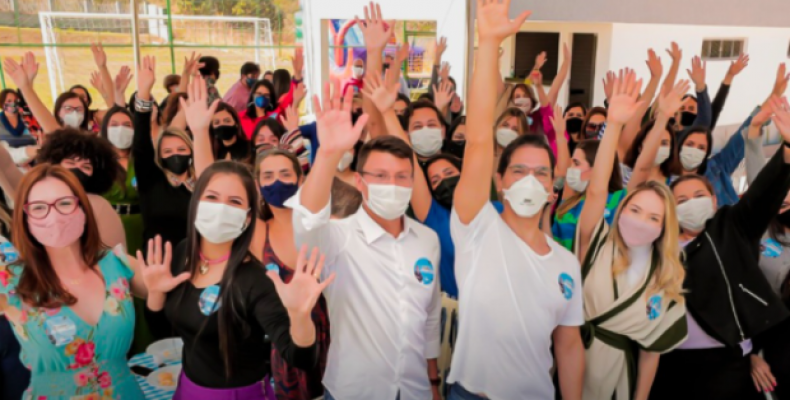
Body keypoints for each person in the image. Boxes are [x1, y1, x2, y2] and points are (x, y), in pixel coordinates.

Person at [291, 25, 442, 395]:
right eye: (380, 175)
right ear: (360, 182)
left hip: (415, 390)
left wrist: (433, 381)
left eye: (402, 177)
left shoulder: (428, 240)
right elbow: (307, 220)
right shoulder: (338, 238)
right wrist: (326, 155)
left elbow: (430, 320)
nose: (392, 184)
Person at [447, 2, 583, 399]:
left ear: (551, 189)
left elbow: (569, 345)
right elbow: (476, 139)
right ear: (499, 181)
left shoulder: (565, 263)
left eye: (542, 172)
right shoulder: (476, 227)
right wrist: (487, 44)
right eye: (519, 170)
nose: (530, 180)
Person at [140, 161, 326, 399]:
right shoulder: (182, 254)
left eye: (234, 202)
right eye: (212, 197)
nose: (220, 208)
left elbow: (300, 358)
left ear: (247, 218)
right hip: (186, 388)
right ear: (195, 202)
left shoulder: (255, 280)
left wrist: (300, 316)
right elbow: (163, 331)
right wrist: (155, 294)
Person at [650, 96, 790, 400]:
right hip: (669, 363)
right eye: (681, 201)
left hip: (726, 364)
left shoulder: (731, 226)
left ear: (714, 201)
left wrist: (787, 150)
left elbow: (762, 194)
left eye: (698, 196)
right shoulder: (658, 243)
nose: (691, 204)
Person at [574, 73, 689, 400]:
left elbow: (651, 352)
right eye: (635, 210)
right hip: (569, 363)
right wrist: (613, 124)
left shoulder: (665, 272)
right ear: (621, 210)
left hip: (619, 379)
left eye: (654, 217)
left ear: (664, 227)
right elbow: (597, 190)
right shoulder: (596, 242)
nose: (641, 221)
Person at [0, 163, 146, 399]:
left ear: (83, 209)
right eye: (38, 208)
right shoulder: (10, 280)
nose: (54, 216)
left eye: (65, 203)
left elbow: (176, 297)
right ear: (24, 218)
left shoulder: (117, 263)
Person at [250, 149, 330, 400]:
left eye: (285, 174)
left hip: (338, 338)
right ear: (257, 185)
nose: (277, 182)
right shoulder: (258, 231)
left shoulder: (323, 225)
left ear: (300, 179)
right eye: (268, 176)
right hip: (290, 343)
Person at [0, 89, 37, 165]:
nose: (13, 103)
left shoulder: (28, 118)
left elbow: (40, 141)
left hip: (35, 161)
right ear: (2, 104)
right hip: (10, 165)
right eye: (9, 101)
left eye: (16, 100)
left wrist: (28, 160)